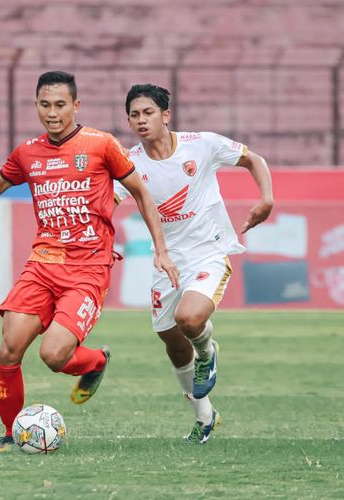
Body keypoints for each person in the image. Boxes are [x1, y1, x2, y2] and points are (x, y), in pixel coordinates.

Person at [0, 71, 179, 452]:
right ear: (36, 105)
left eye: (60, 105)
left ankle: (95, 361)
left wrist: (160, 249)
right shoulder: (27, 153)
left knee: (52, 354)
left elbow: (142, 194)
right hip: (42, 265)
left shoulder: (101, 146)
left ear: (76, 106)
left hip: (87, 270)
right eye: (45, 105)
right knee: (9, 348)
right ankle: (10, 433)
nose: (52, 113)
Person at [114, 84, 274, 444]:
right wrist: (100, 235)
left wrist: (266, 198)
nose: (141, 120)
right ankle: (204, 417)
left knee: (190, 318)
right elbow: (108, 199)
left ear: (165, 115)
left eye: (148, 113)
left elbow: (254, 159)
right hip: (167, 261)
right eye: (134, 115)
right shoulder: (130, 163)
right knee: (171, 341)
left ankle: (208, 352)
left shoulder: (201, 144)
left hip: (209, 251)